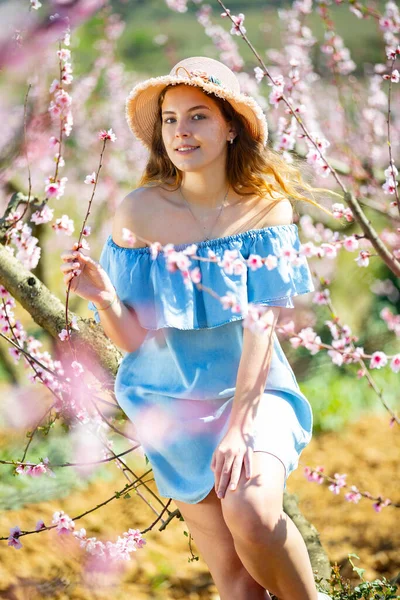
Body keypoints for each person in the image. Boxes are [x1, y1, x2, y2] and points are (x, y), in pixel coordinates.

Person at [60, 57, 333, 600]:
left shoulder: (265, 211)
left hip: (251, 397)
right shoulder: (138, 214)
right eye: (170, 119)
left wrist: (237, 428)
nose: (181, 131)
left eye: (199, 116)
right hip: (172, 404)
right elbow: (136, 343)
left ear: (231, 125)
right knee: (236, 582)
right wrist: (108, 300)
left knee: (252, 513)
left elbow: (262, 327)